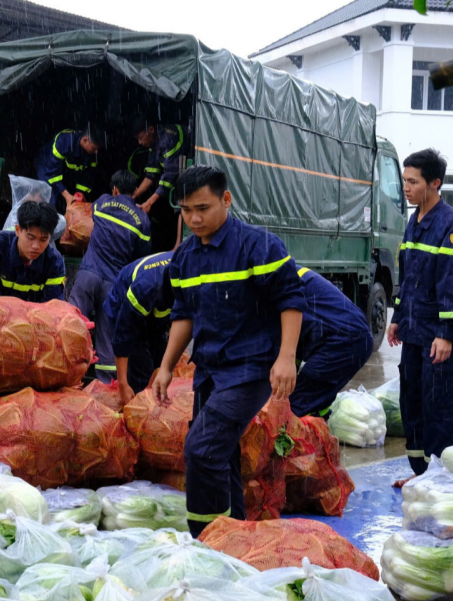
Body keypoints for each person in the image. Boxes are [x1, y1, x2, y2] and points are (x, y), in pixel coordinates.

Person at [151, 166, 306, 538]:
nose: (194, 218)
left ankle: (206, 540)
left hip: (251, 369)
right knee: (222, 453)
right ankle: (236, 535)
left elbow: (291, 299)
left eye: (202, 208)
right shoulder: (184, 257)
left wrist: (287, 357)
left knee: (201, 449)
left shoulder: (259, 246)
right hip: (210, 369)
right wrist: (166, 366)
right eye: (186, 210)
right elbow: (183, 313)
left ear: (226, 199)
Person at [388, 148, 453, 487]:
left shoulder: (452, 225)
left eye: (413, 181)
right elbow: (407, 276)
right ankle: (422, 475)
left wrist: (447, 333)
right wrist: (396, 316)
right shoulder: (415, 221)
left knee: (439, 408)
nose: (406, 187)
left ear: (434, 183)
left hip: (437, 336)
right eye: (405, 180)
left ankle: (446, 480)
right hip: (413, 331)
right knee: (413, 404)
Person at [68, 170, 152, 381]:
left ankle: (68, 374)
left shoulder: (102, 203)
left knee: (73, 323)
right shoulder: (142, 220)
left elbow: (91, 217)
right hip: (114, 284)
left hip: (88, 275)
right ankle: (106, 387)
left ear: (114, 189)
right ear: (134, 192)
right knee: (107, 335)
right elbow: (141, 257)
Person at [289, 267, 375, 418]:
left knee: (294, 407)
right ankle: (319, 430)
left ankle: (307, 431)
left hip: (345, 340)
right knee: (312, 402)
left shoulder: (278, 285)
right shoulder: (289, 275)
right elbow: (292, 345)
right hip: (350, 337)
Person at [105, 251, 174, 405]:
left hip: (156, 319)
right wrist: (123, 383)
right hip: (122, 306)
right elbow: (124, 334)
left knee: (161, 367)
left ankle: (158, 412)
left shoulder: (194, 277)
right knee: (142, 371)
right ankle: (138, 410)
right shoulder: (147, 287)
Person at [0, 201, 66, 303]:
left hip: (26, 317)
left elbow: (51, 307)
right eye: (30, 237)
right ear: (17, 230)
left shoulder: (55, 263)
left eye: (43, 240)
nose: (36, 246)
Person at [130, 119, 185, 251]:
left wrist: (149, 202)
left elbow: (169, 178)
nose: (140, 143)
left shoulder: (170, 137)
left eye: (141, 138)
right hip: (174, 177)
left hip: (185, 174)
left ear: (151, 130)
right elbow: (151, 174)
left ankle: (177, 247)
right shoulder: (153, 143)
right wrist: (134, 195)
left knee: (182, 202)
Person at [33, 125, 103, 208]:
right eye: (94, 148)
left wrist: (79, 193)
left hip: (64, 169)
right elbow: (52, 173)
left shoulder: (92, 154)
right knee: (50, 199)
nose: (96, 152)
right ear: (85, 140)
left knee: (74, 203)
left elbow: (87, 176)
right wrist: (67, 196)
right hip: (46, 163)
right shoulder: (63, 141)